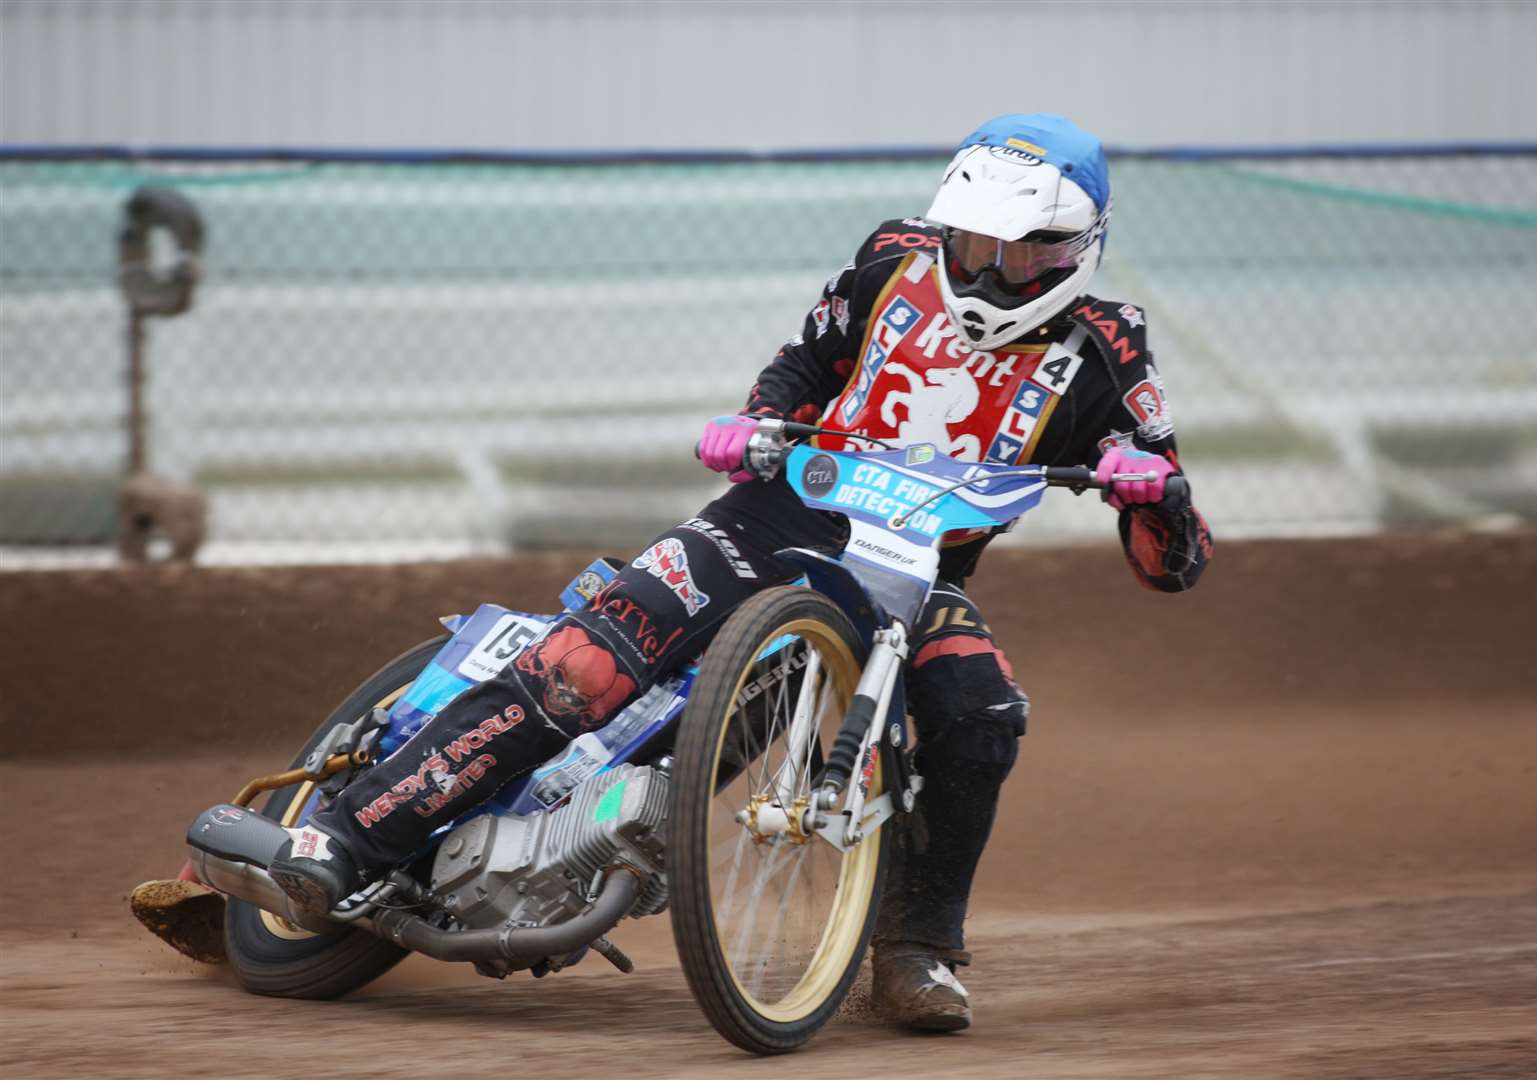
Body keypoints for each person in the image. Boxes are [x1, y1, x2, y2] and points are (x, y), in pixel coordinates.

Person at [271, 113, 1213, 1032]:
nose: (991, 271)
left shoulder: (1112, 347)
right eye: (972, 244)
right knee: (588, 665)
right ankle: (346, 837)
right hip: (774, 516)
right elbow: (804, 362)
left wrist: (1152, 492)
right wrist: (756, 420)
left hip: (914, 575)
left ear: (1080, 246)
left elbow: (1176, 566)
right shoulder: (891, 256)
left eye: (1022, 254)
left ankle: (916, 949)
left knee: (981, 713)